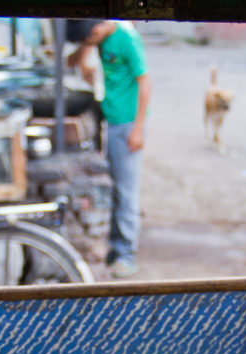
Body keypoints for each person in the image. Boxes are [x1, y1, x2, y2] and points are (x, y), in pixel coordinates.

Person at [68, 20, 150, 278]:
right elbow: (74, 65)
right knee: (116, 190)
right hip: (112, 121)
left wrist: (137, 129)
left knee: (126, 194)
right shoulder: (99, 39)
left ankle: (126, 255)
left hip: (127, 125)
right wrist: (87, 44)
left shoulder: (127, 38)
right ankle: (116, 250)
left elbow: (145, 83)